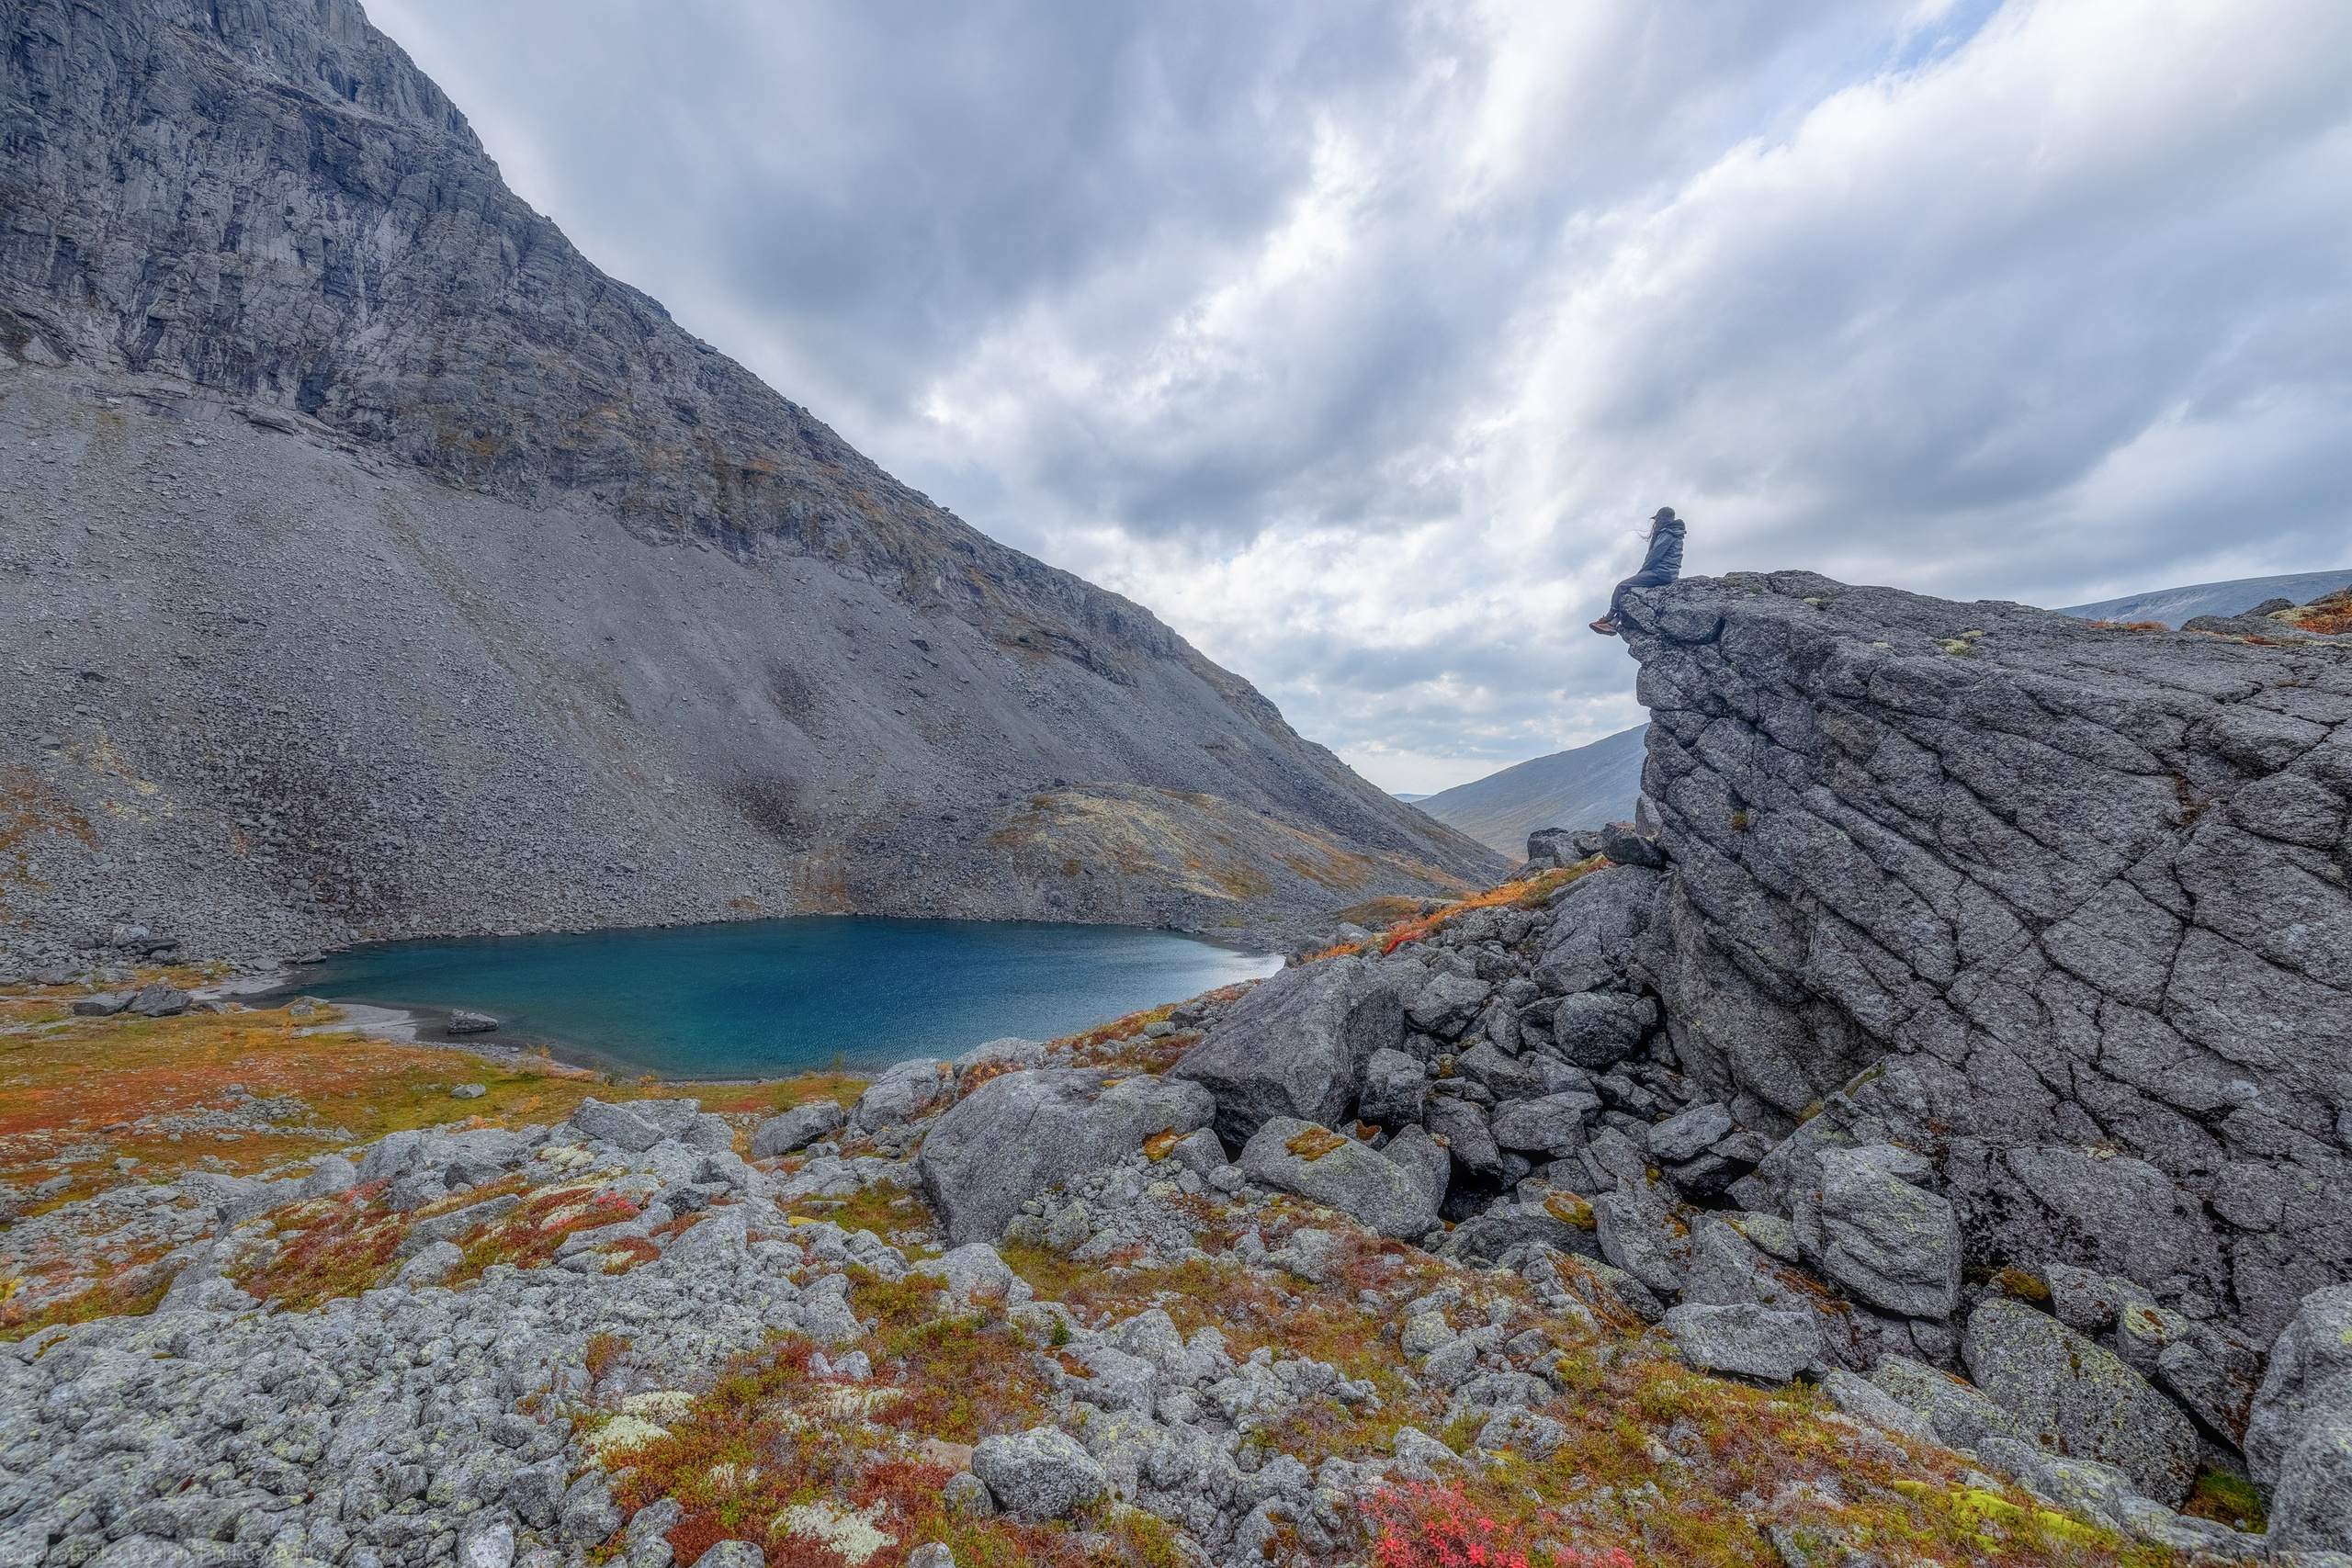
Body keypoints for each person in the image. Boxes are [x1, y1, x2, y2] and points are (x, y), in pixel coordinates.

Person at [1589, 506, 1684, 635]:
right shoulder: (1674, 533)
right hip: (1669, 573)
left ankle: (1608, 617)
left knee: (1622, 586)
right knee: (1630, 592)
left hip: (1661, 573)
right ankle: (1612, 624)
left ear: (1663, 519)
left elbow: (1654, 556)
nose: (1656, 522)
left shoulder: (1668, 534)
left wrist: (1642, 573)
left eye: (1658, 519)